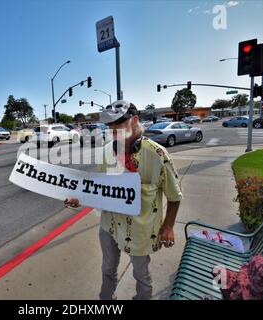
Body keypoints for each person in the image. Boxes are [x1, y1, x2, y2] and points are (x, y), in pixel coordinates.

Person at [64, 100, 183, 300]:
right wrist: (80, 198)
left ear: (134, 121)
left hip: (139, 231)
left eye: (117, 126)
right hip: (109, 225)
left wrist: (168, 226)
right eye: (110, 128)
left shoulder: (158, 154)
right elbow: (99, 187)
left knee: (141, 276)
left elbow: (174, 195)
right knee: (107, 270)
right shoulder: (107, 151)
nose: (113, 132)